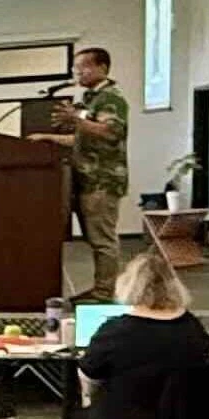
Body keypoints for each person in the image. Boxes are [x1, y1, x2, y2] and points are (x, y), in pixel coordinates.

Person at [62, 244, 209, 419]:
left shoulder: (117, 330)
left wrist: (90, 400)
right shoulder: (192, 328)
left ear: (129, 286)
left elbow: (88, 374)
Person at [54, 43, 133, 267]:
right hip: (88, 181)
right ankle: (101, 290)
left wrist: (76, 120)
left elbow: (111, 132)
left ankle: (104, 294)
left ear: (103, 68)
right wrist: (47, 138)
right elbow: (84, 138)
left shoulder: (111, 98)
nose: (78, 73)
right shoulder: (92, 99)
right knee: (95, 240)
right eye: (74, 68)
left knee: (103, 241)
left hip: (102, 181)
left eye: (84, 67)